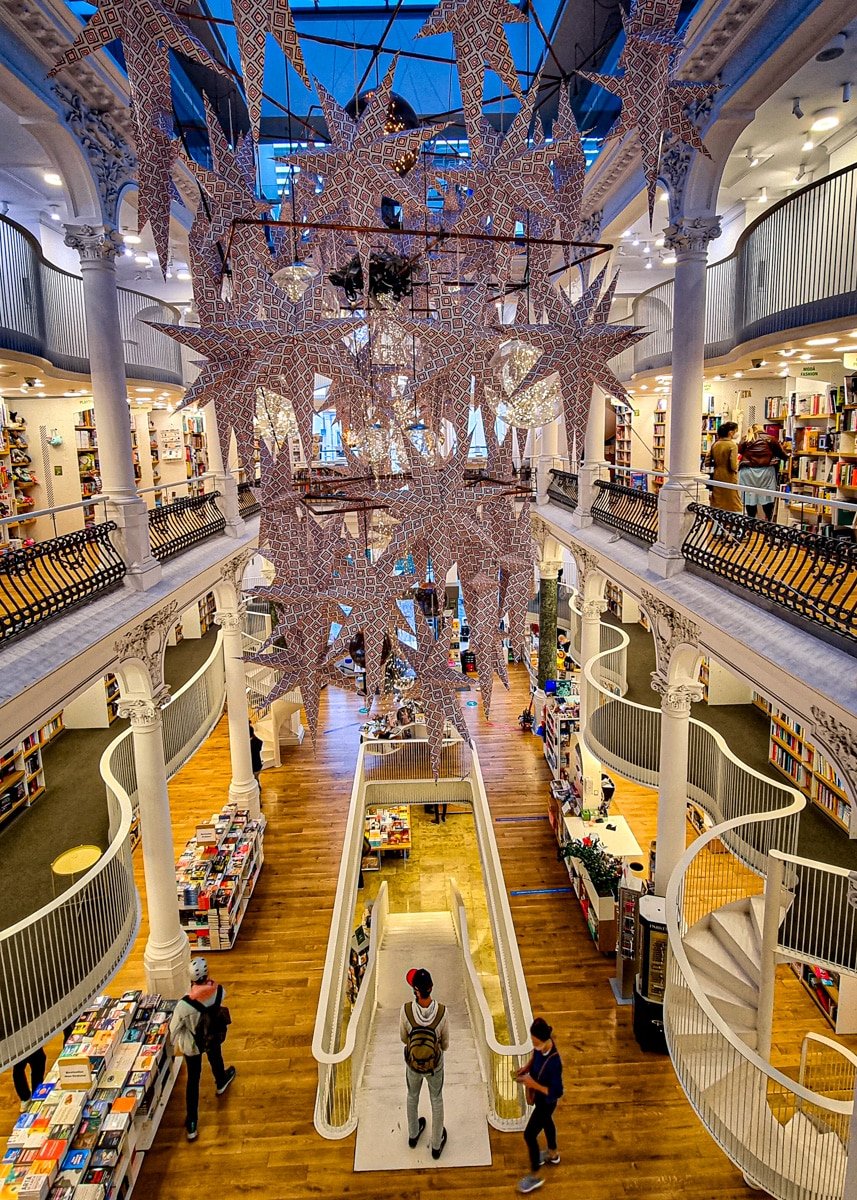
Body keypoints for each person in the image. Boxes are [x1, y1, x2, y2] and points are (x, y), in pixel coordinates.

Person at [169, 957, 236, 1142]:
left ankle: (192, 1122)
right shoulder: (219, 991)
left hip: (192, 1045)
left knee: (193, 1079)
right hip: (213, 1037)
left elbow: (172, 1030)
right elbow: (221, 997)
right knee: (216, 1058)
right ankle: (221, 1080)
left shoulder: (184, 1006)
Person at [400, 967, 449, 1159]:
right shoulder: (442, 1012)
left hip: (412, 1064)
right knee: (436, 1099)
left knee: (412, 1096)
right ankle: (436, 1145)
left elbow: (404, 1039)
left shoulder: (406, 1011)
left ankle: (413, 1134)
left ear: (415, 990)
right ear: (431, 987)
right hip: (434, 1066)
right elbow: (445, 1044)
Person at [515, 1017, 564, 1194]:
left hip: (546, 1102)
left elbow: (556, 1092)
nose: (534, 1046)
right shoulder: (541, 1047)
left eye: (536, 1043)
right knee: (547, 1122)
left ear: (544, 1040)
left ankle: (534, 1175)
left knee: (529, 1135)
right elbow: (535, 1056)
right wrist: (526, 1068)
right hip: (542, 1102)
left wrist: (532, 1084)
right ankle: (553, 1154)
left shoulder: (554, 1063)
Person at [738, 423, 788, 520]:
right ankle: (768, 521)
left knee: (750, 497)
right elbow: (782, 455)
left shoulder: (746, 438)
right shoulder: (770, 439)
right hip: (766, 471)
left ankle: (751, 521)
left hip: (748, 472)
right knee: (767, 497)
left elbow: (739, 451)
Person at [704, 422, 742, 513]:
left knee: (718, 501)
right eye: (736, 431)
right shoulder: (732, 445)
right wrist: (738, 464)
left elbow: (707, 462)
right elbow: (733, 466)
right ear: (730, 433)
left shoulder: (715, 444)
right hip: (729, 477)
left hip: (717, 475)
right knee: (733, 502)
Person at [11, 1046, 46, 1111]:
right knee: (19, 1069)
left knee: (19, 1068)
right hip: (20, 1043)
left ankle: (33, 1096)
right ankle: (30, 1097)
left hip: (21, 1044)